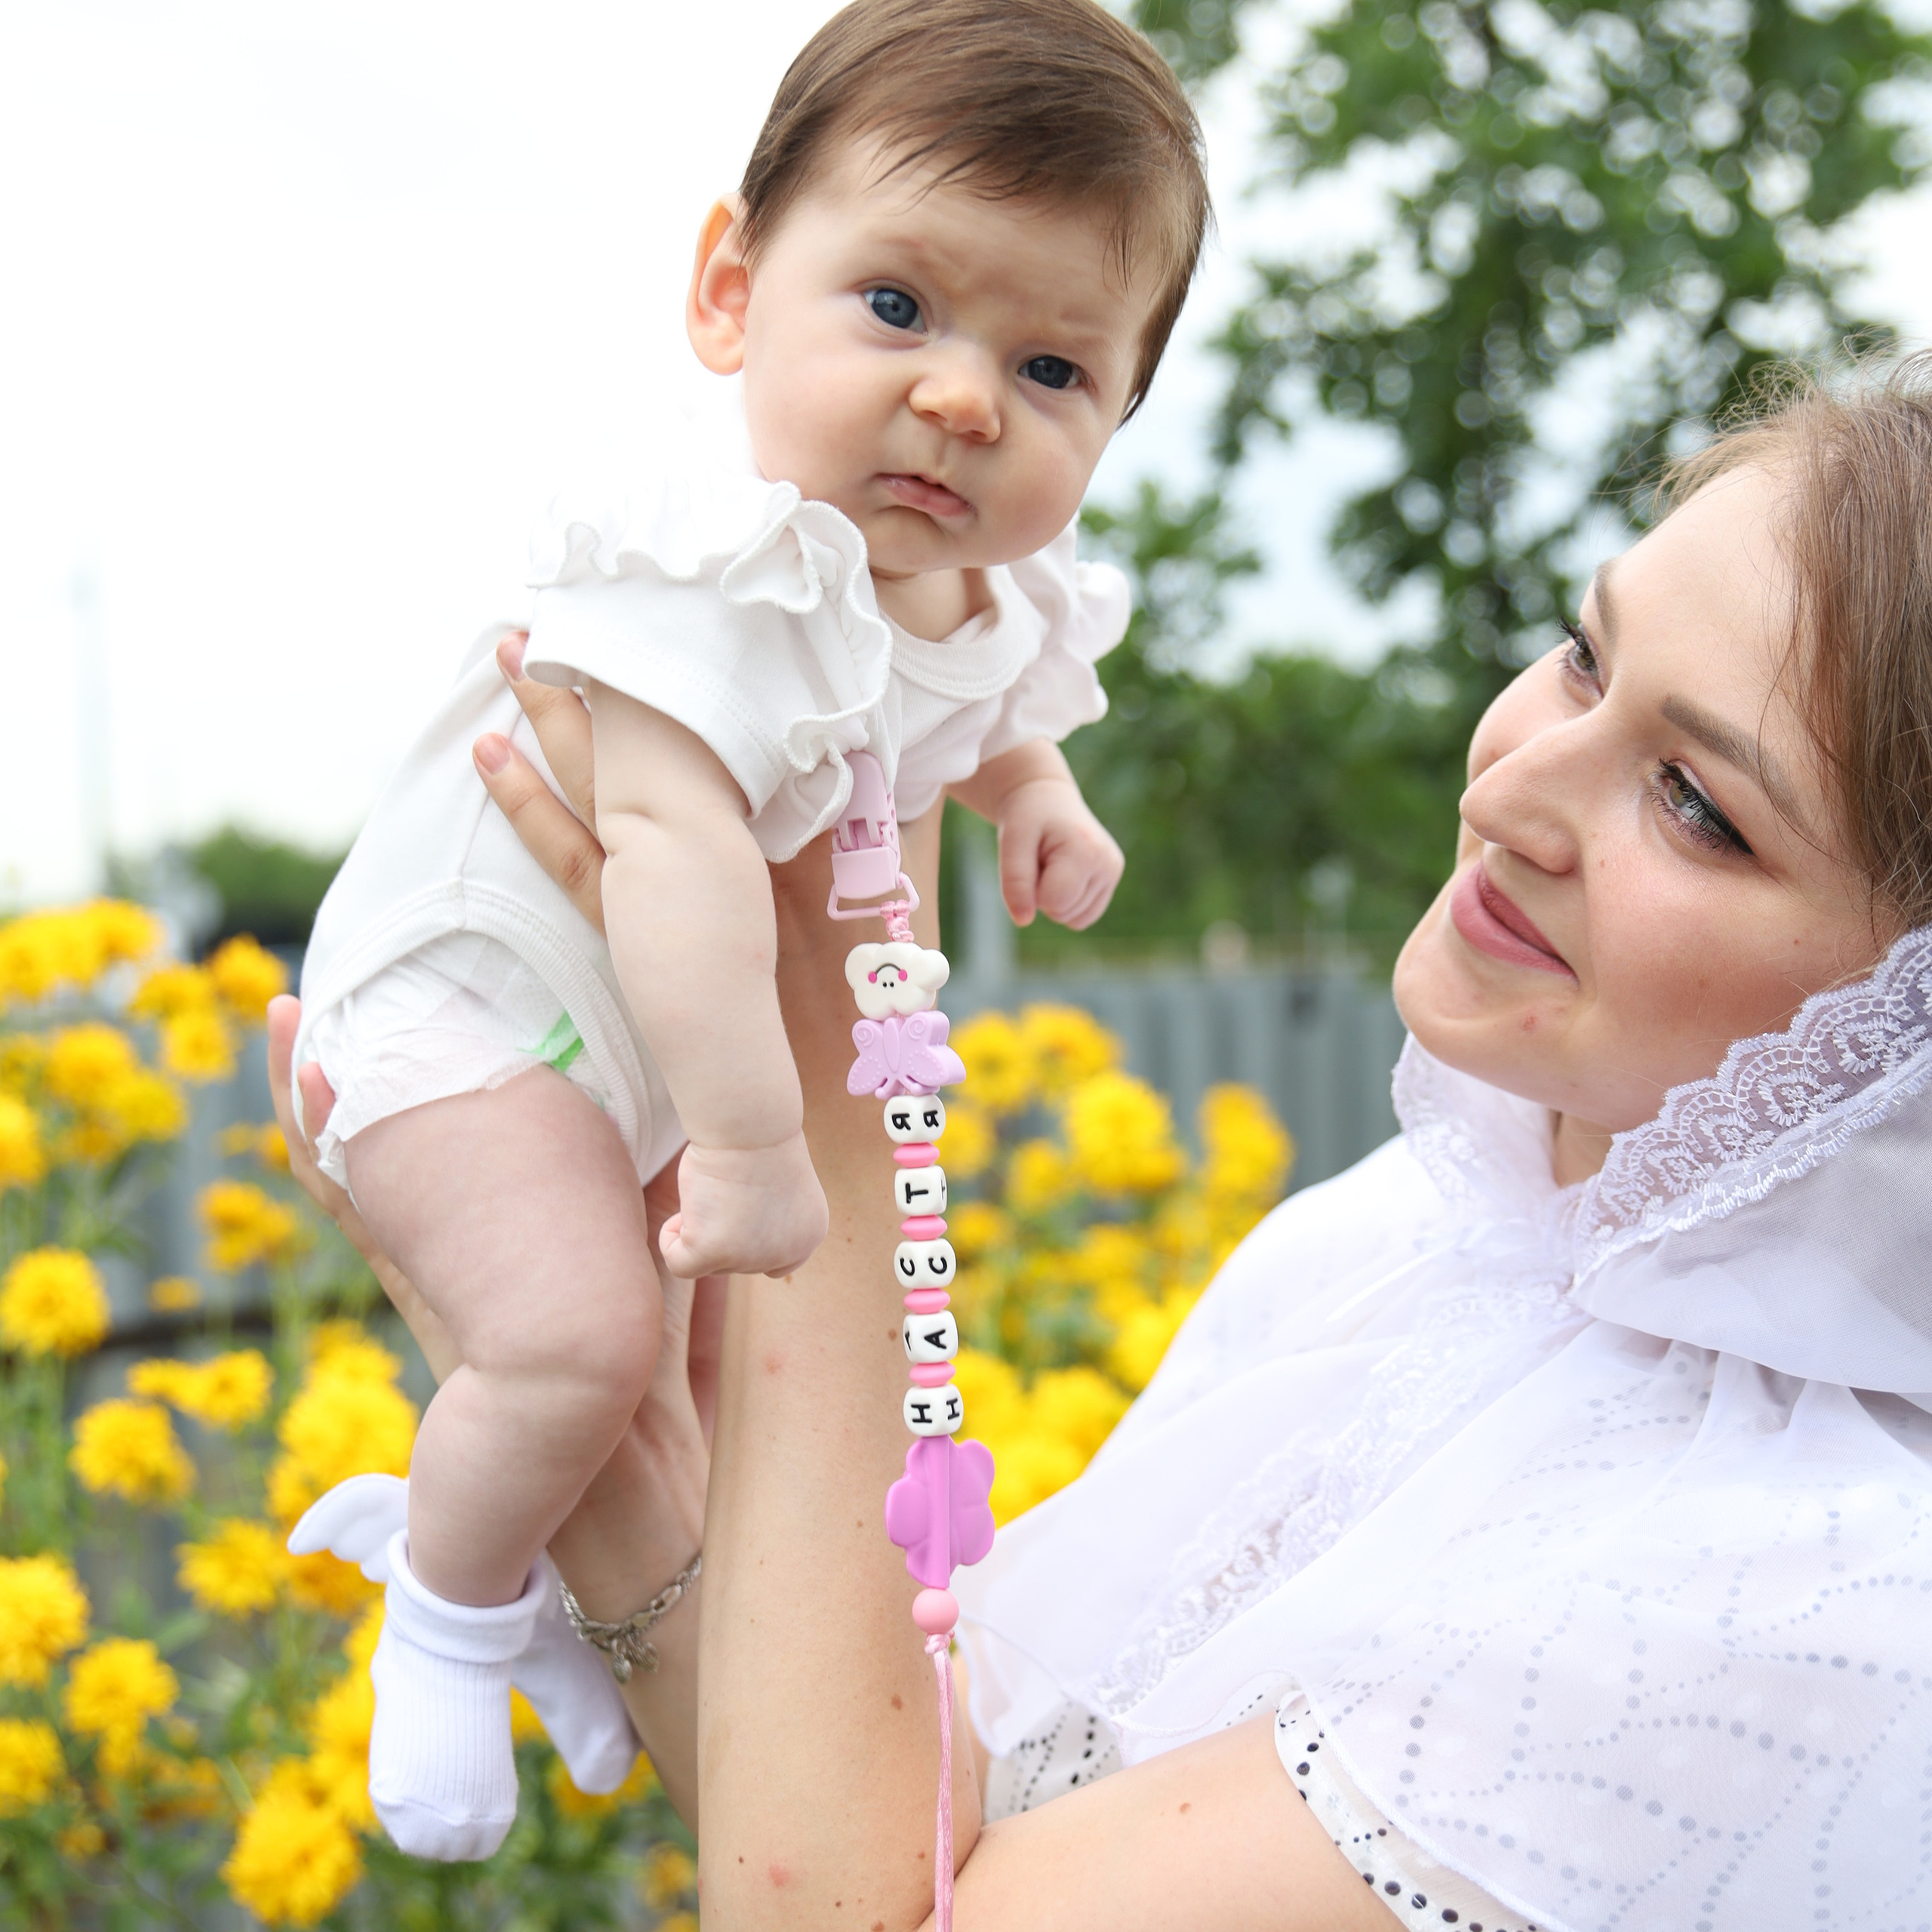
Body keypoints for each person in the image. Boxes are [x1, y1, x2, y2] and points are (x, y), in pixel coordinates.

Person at [275, 357, 1932, 1928]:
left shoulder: (1785, 1600)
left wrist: (827, 1093)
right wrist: (566, 1374)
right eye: (1580, 655)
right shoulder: (1400, 1251)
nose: (1513, 785)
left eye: (1697, 803)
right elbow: (909, 1828)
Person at [280, 0, 1208, 1860]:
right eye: (896, 308)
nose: (963, 396)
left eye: (1050, 367)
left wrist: (1034, 794)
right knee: (570, 1335)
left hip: (620, 1045)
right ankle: (444, 1607)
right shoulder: (711, 556)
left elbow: (972, 689)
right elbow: (673, 850)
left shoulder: (957, 580)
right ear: (728, 288)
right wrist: (757, 1147)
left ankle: (552, 1581)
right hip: (473, 1009)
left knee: (715, 1406)